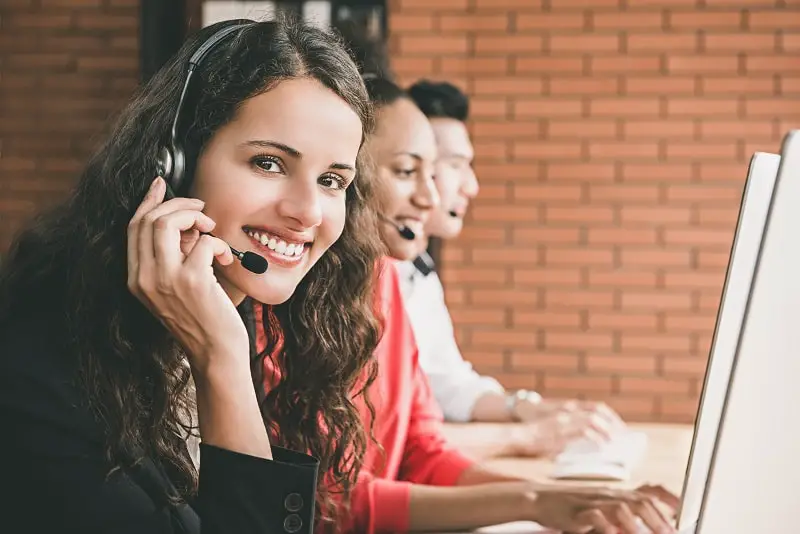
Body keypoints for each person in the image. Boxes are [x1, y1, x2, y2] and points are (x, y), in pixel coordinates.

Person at [256, 32, 680, 530]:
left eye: (434, 174)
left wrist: (559, 498)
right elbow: (329, 501)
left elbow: (422, 452)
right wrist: (533, 502)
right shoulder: (273, 302)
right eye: (407, 171)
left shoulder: (384, 281)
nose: (431, 199)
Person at [0, 17, 386, 534]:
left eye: (332, 180)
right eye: (269, 163)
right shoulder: (37, 374)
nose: (309, 212)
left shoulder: (223, 311)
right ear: (174, 164)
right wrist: (220, 358)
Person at [402, 79, 630, 458]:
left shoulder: (417, 270)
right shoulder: (364, 278)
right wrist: (528, 437)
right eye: (456, 166)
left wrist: (529, 408)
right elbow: (389, 440)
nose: (471, 186)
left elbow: (447, 384)